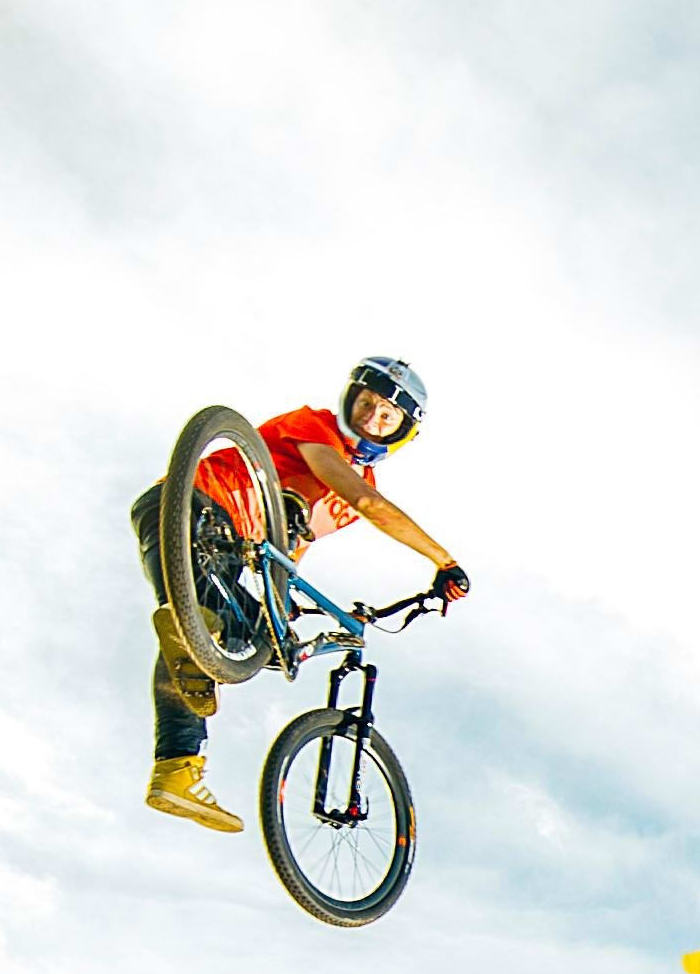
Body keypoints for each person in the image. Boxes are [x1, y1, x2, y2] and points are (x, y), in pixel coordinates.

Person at [132, 355, 470, 833]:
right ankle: (198, 651)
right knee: (202, 625)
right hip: (195, 508)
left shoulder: (351, 491)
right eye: (367, 404)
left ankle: (176, 770)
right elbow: (367, 502)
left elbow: (290, 545)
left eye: (387, 416)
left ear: (400, 432)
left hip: (219, 539)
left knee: (214, 631)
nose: (372, 418)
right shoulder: (315, 428)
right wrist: (443, 561)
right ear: (349, 400)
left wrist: (280, 601)